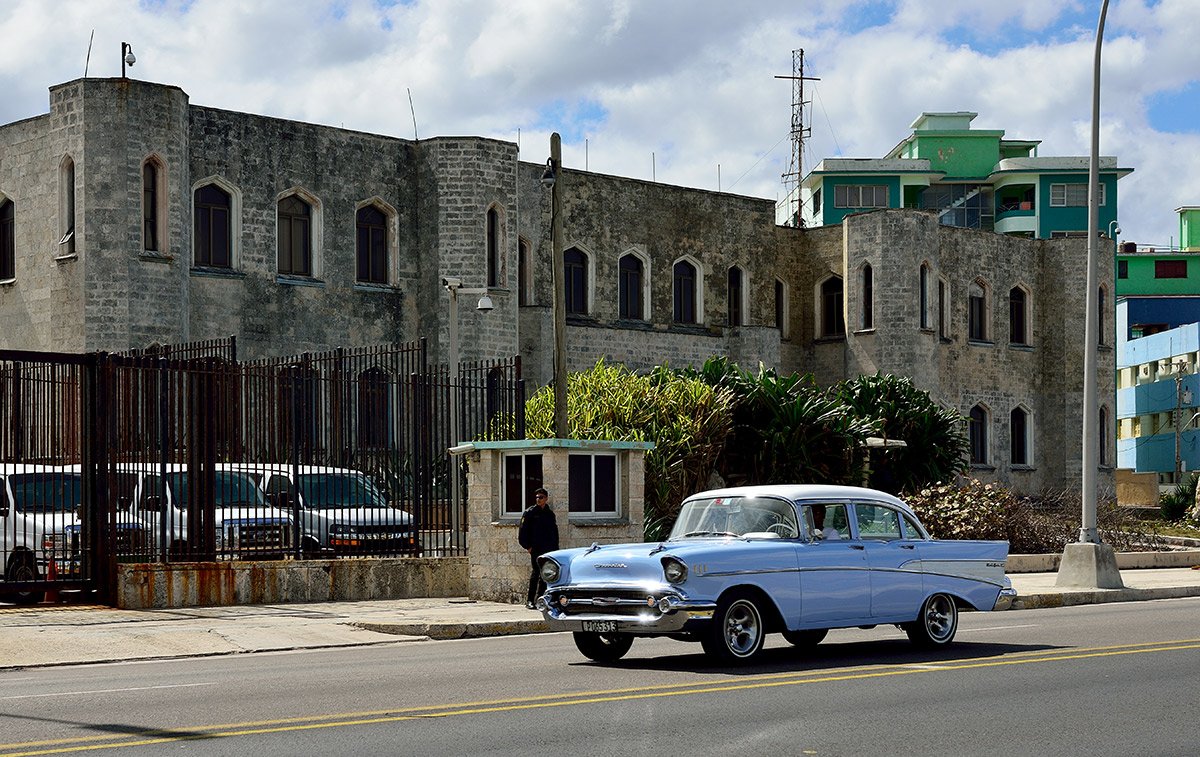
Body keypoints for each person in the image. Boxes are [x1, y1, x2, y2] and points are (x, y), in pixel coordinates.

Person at [518, 487, 559, 609]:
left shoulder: (549, 514)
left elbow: (554, 532)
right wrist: (528, 546)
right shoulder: (530, 513)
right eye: (536, 497)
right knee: (536, 573)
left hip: (548, 548)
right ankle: (529, 600)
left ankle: (540, 599)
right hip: (536, 548)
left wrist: (555, 547)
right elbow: (522, 532)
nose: (538, 500)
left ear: (546, 499)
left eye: (541, 497)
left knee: (545, 575)